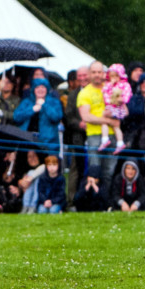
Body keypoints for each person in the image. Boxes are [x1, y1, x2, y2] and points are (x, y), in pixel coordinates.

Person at [78, 61, 121, 201]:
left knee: (109, 171)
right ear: (89, 74)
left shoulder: (111, 88)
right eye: (94, 72)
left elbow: (120, 106)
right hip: (94, 136)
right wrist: (108, 121)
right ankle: (93, 202)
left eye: (100, 72)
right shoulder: (85, 93)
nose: (97, 75)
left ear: (104, 73)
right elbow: (86, 116)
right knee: (94, 171)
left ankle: (106, 202)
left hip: (113, 134)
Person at [14, 77, 63, 154]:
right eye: (37, 87)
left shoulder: (54, 102)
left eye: (43, 87)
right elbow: (16, 117)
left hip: (48, 143)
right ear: (33, 89)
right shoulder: (27, 102)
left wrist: (44, 105)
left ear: (47, 89)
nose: (40, 90)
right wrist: (32, 109)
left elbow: (56, 117)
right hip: (27, 141)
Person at [64, 66, 89, 209]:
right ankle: (72, 199)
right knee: (75, 169)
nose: (83, 78)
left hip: (93, 134)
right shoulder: (73, 95)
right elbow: (69, 115)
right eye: (80, 76)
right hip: (77, 136)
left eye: (85, 75)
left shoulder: (95, 92)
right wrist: (79, 124)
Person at [99, 64, 132, 155]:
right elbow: (104, 92)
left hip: (118, 108)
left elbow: (127, 96)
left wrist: (120, 100)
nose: (113, 78)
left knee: (104, 118)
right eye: (111, 76)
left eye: (116, 76)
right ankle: (120, 143)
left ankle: (105, 139)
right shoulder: (109, 85)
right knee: (115, 126)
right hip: (112, 107)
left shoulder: (125, 85)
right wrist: (111, 84)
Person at [18, 150, 46, 214]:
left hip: (41, 198)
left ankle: (32, 206)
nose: (32, 158)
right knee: (30, 172)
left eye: (34, 156)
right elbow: (20, 183)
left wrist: (30, 178)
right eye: (29, 157)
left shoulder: (44, 167)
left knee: (33, 173)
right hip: (26, 194)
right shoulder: (24, 169)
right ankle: (26, 206)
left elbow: (43, 167)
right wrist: (21, 182)